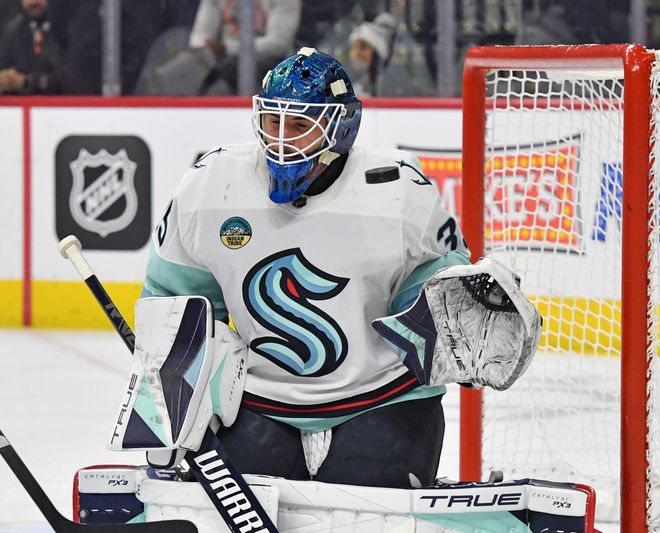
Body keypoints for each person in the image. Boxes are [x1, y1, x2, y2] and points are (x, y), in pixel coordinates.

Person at [142, 48, 472, 488]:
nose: (281, 139)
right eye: (273, 122)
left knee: (369, 518)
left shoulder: (398, 193)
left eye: (299, 125)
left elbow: (442, 298)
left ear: (341, 128)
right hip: (256, 397)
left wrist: (456, 320)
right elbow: (172, 300)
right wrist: (173, 403)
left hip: (383, 396)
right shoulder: (211, 185)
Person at [188, 0, 300, 94]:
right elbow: (200, 36)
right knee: (187, 68)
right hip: (220, 60)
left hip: (269, 62)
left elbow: (278, 43)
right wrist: (206, 48)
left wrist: (227, 49)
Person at [0, 0, 62, 94]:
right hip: (19, 104)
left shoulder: (65, 28)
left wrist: (28, 81)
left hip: (63, 104)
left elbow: (70, 75)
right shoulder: (14, 30)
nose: (33, 2)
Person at [346, 13, 396, 97]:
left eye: (363, 47)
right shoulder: (340, 82)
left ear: (377, 54)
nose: (356, 53)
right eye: (353, 47)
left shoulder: (391, 86)